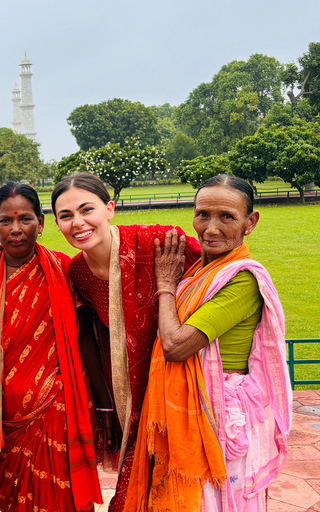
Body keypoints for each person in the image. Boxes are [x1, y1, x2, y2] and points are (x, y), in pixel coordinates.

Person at [125, 175, 292, 511]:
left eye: (226, 217)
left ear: (250, 222)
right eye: (202, 214)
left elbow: (174, 345)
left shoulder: (242, 279)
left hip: (218, 418)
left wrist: (166, 285)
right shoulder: (201, 272)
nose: (211, 229)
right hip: (192, 411)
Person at [51, 172, 201, 512]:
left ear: (110, 209)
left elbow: (218, 275)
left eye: (86, 209)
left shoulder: (159, 242)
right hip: (135, 405)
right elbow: (96, 338)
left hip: (184, 394)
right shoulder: (80, 273)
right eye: (66, 216)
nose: (78, 223)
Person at [0, 182, 102, 512]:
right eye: (5, 221)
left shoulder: (65, 270)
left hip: (60, 410)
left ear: (41, 224)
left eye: (25, 219)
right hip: (4, 420)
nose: (15, 230)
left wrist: (105, 405)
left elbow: (84, 339)